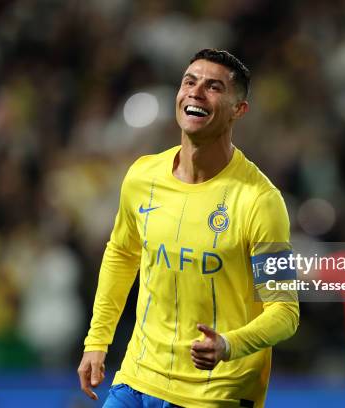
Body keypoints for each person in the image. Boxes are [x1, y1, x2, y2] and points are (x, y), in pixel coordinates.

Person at [77, 49, 299, 407]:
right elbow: (121, 256)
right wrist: (96, 340)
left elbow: (285, 312)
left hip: (215, 392)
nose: (196, 92)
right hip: (138, 378)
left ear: (238, 110)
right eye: (189, 81)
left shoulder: (261, 200)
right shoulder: (143, 176)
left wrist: (229, 345)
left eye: (213, 87)